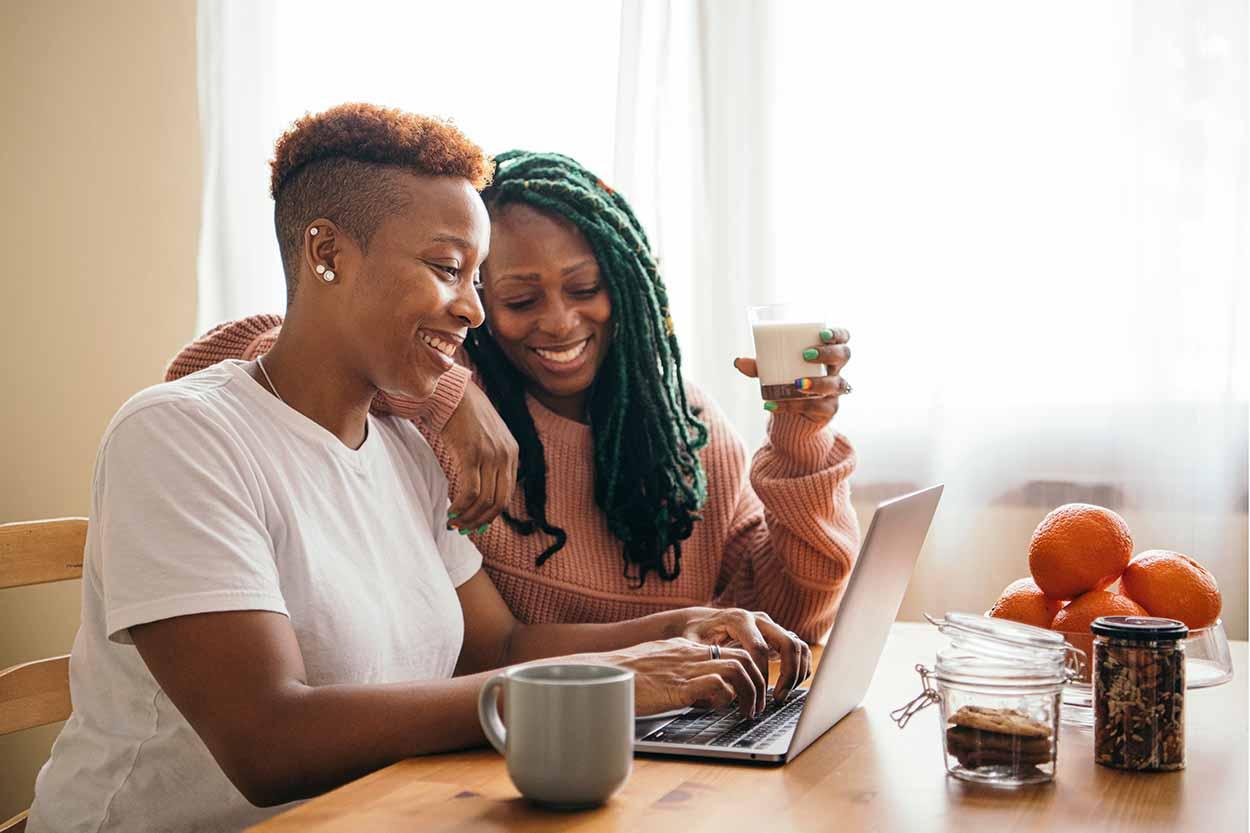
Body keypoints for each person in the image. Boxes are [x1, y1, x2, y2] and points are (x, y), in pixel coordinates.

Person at [27, 105, 807, 833]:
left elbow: (494, 650)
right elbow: (267, 741)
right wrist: (610, 680)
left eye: (476, 277)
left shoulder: (410, 447)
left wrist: (673, 632)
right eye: (447, 268)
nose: (473, 309)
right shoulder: (179, 437)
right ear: (325, 252)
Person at [174, 151, 860, 644]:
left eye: (585, 288)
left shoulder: (686, 432)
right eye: (520, 299)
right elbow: (224, 360)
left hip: (666, 742)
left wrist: (802, 440)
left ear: (629, 289)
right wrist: (452, 396)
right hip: (497, 744)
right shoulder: (429, 395)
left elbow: (789, 620)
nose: (559, 323)